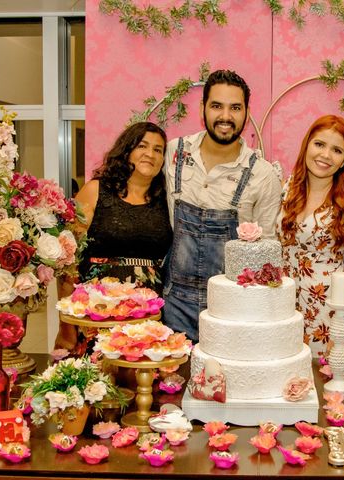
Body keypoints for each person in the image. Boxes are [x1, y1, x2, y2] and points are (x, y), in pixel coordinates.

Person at [162, 69, 282, 342]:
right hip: (173, 305)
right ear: (202, 108)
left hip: (232, 310)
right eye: (217, 106)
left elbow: (266, 253)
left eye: (235, 108)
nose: (226, 117)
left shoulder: (262, 174)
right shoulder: (174, 153)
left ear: (247, 113)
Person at [54, 121, 173, 351]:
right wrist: (66, 326)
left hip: (146, 318)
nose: (150, 154)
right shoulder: (95, 191)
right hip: (96, 312)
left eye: (158, 150)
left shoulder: (166, 201)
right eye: (143, 146)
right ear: (127, 150)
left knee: (142, 383)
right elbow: (67, 262)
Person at [278, 114, 344, 358]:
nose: (326, 155)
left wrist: (342, 325)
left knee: (324, 388)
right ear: (307, 145)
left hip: (327, 312)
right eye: (319, 144)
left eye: (336, 150)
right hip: (284, 307)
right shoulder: (288, 188)